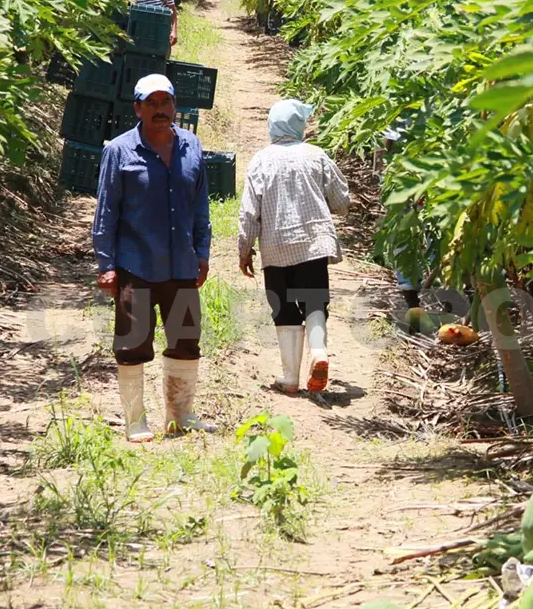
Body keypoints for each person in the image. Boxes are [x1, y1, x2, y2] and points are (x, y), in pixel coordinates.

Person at [91, 73, 214, 442]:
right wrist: (106, 265)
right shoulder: (120, 151)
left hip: (181, 264)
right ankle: (135, 421)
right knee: (132, 346)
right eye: (152, 103)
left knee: (185, 340)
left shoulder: (191, 146)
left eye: (166, 102)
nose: (160, 111)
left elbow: (200, 206)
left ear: (175, 106)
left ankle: (182, 416)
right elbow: (106, 211)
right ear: (138, 108)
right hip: (137, 265)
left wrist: (203, 252)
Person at [237, 99, 349, 394]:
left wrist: (245, 249)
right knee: (314, 300)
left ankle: (290, 378)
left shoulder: (261, 160)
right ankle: (319, 352)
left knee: (283, 308)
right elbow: (341, 201)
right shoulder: (317, 156)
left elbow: (249, 211)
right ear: (299, 125)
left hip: (275, 246)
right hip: (313, 244)